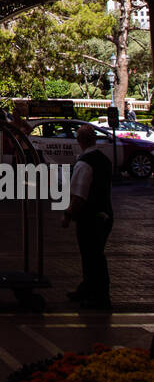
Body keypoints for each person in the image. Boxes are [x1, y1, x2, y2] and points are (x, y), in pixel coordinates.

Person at [63, 123, 113, 310]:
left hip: (90, 217)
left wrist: (68, 214)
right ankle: (88, 288)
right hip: (105, 213)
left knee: (92, 256)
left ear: (79, 141)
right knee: (95, 254)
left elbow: (79, 194)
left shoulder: (84, 163)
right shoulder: (104, 159)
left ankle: (99, 296)